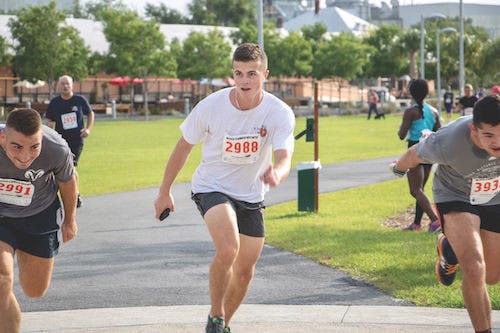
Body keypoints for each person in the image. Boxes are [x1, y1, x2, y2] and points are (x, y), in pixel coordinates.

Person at [154, 43, 295, 333]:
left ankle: (222, 325)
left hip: (251, 195)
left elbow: (284, 155)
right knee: (229, 247)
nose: (244, 81)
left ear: (265, 74)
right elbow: (183, 148)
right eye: (238, 74)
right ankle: (216, 314)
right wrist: (164, 191)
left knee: (244, 273)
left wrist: (278, 173)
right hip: (212, 187)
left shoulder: (279, 112)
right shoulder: (211, 106)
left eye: (251, 74)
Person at [390, 95, 500, 333]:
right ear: (474, 129)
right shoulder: (450, 140)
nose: (497, 143)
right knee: (474, 267)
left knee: (491, 276)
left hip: (493, 198)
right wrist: (398, 169)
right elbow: (412, 155)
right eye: (489, 135)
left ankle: (449, 248)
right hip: (455, 195)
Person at [0, 108, 78, 333]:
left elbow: (68, 182)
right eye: (17, 147)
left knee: (35, 290)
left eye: (34, 147)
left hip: (39, 215)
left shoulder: (56, 148)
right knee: (3, 278)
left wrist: (70, 220)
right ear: (4, 137)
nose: (25, 157)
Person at [397, 79, 441, 232]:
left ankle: (435, 221)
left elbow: (402, 135)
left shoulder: (410, 112)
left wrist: (402, 127)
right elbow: (439, 133)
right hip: (430, 149)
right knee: (420, 188)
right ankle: (416, 224)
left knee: (415, 190)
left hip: (414, 149)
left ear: (411, 93)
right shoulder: (434, 112)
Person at [45, 75, 94, 208]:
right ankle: (72, 193)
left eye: (67, 84)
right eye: (62, 84)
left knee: (71, 166)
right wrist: (49, 136)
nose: (65, 86)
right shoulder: (55, 103)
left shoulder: (79, 100)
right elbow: (49, 121)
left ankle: (75, 194)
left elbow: (90, 113)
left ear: (72, 85)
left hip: (77, 140)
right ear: (58, 86)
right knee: (62, 168)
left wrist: (88, 129)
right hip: (60, 141)